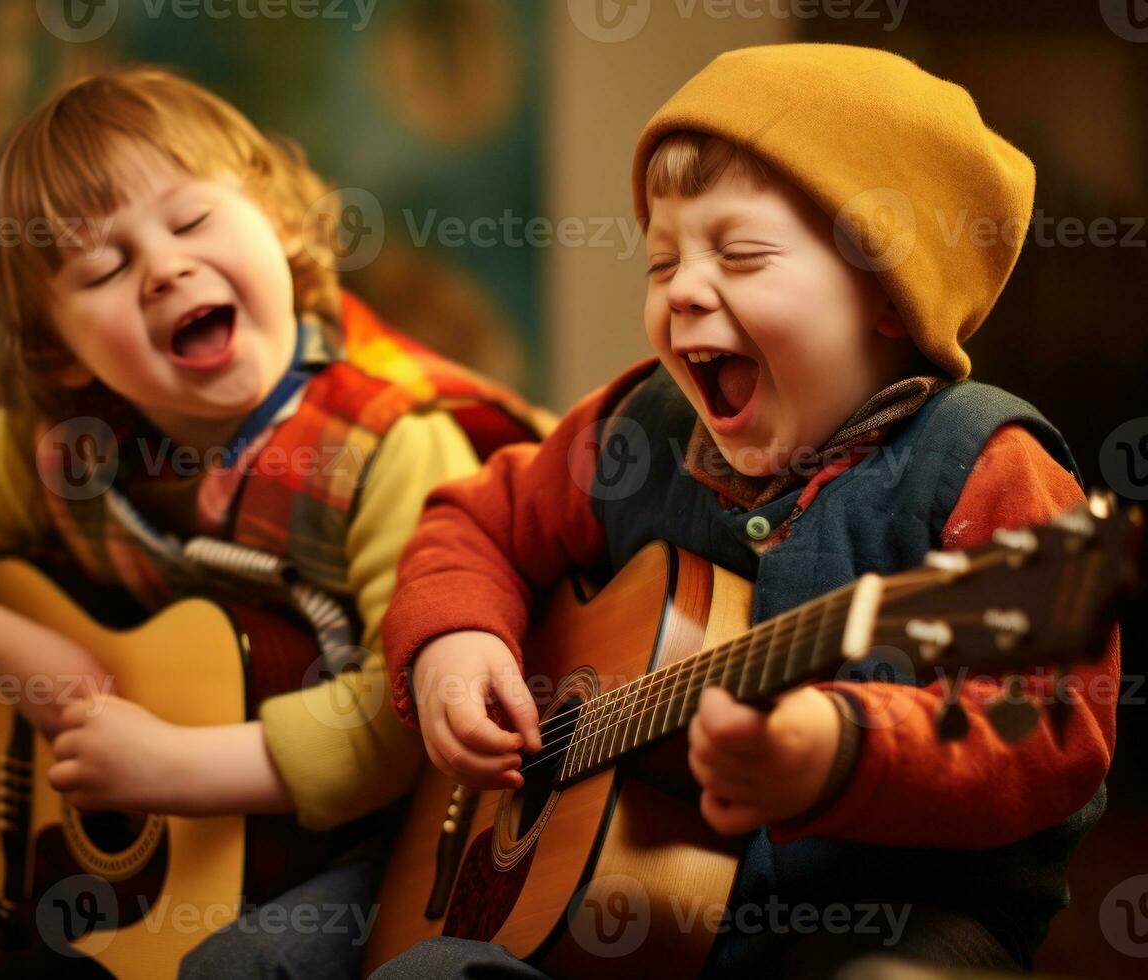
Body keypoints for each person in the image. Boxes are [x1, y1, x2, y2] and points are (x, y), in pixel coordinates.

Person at [376, 44, 1120, 979]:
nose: (683, 288)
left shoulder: (981, 465)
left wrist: (840, 753)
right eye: (661, 261)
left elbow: (1048, 727)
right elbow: (471, 523)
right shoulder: (637, 425)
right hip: (623, 922)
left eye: (740, 254)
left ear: (887, 291)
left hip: (893, 927)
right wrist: (453, 643)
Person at [0, 65, 545, 979]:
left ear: (278, 224)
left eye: (193, 220)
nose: (165, 267)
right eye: (104, 268)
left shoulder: (394, 445)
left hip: (379, 839)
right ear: (59, 351)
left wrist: (174, 769)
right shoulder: (56, 445)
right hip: (159, 855)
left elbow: (401, 710)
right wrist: (23, 657)